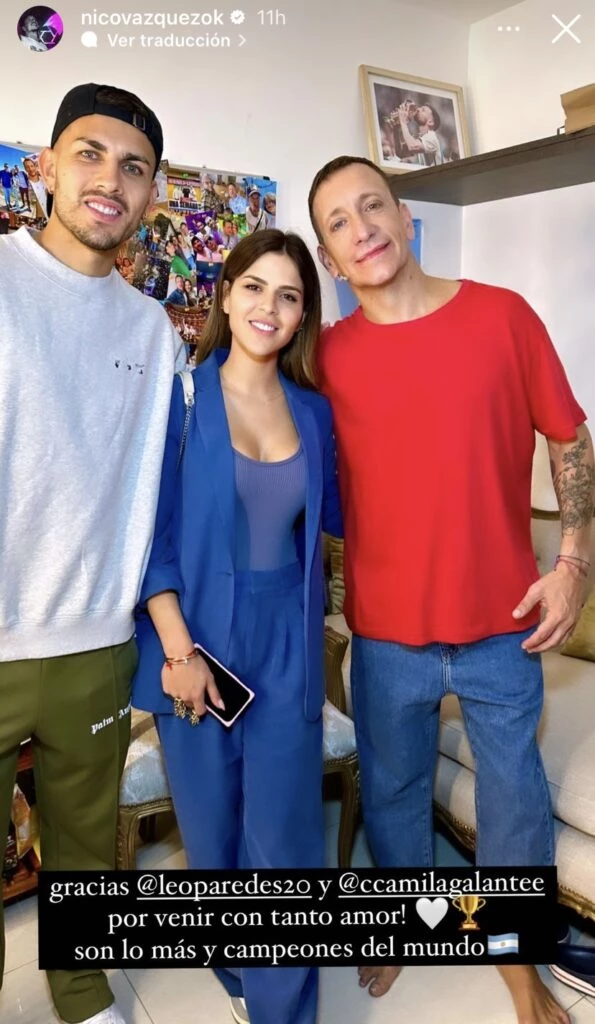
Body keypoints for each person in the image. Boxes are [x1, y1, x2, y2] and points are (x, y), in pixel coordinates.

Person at [307, 154, 594, 1024]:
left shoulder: (502, 316)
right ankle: (406, 927)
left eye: (372, 206)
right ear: (327, 257)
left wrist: (571, 566)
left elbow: (570, 439)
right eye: (337, 223)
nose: (361, 229)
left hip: (503, 625)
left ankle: (518, 957)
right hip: (383, 635)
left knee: (514, 803)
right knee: (395, 796)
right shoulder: (324, 360)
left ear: (404, 216)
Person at [0, 82, 185, 1024]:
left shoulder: (151, 330)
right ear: (45, 166)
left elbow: (169, 485)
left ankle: (81, 994)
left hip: (95, 642)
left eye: (133, 167)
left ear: (152, 193)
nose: (110, 179)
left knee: (83, 853)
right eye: (89, 153)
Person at [132, 228, 342, 1024]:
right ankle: (237, 963)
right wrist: (177, 649)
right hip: (196, 637)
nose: (268, 307)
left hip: (286, 635)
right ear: (225, 293)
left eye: (288, 296)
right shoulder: (182, 398)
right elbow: (149, 535)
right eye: (254, 286)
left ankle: (284, 1004)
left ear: (301, 316)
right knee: (212, 830)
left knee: (284, 833)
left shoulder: (314, 413)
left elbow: (332, 525)